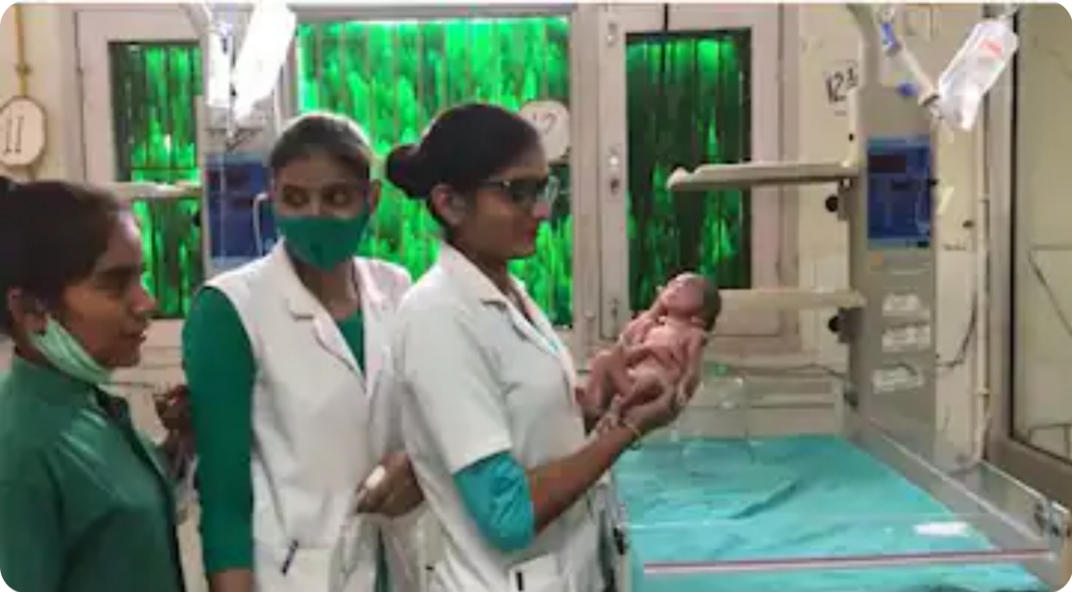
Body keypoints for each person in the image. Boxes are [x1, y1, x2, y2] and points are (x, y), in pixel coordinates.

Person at [383, 102, 705, 592]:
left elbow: (528, 434)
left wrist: (598, 402)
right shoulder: (438, 315)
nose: (541, 210)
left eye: (544, 188)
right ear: (450, 203)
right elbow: (507, 514)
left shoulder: (509, 294)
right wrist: (627, 430)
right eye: (517, 192)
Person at [182, 113, 423, 592]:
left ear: (371, 199)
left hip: (395, 560)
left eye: (337, 198)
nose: (315, 214)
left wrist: (415, 463)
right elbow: (225, 497)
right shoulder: (230, 308)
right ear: (272, 198)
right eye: (295, 199)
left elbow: (425, 419)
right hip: (293, 574)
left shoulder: (396, 289)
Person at [0, 178, 193, 592]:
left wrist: (182, 444)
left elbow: (117, 522)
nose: (146, 303)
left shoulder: (88, 407)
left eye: (140, 278)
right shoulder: (21, 449)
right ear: (31, 309)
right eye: (115, 284)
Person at [584, 272, 721, 428]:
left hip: (657, 387)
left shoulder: (693, 334)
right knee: (603, 359)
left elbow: (692, 370)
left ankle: (620, 406)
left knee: (650, 380)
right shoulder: (650, 327)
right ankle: (593, 407)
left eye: (687, 287)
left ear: (701, 315)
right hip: (631, 380)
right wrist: (646, 350)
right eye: (672, 284)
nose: (675, 287)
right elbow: (626, 358)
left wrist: (683, 387)